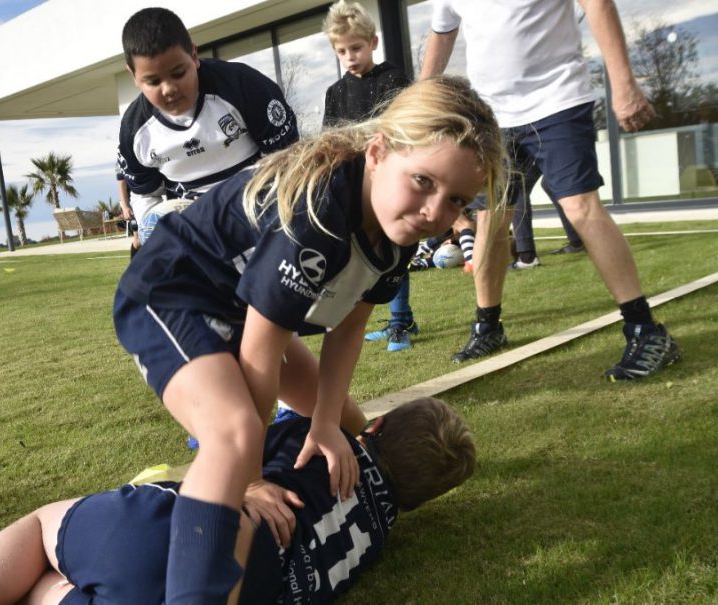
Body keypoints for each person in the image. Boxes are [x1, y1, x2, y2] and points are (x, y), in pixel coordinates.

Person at [112, 75, 503, 603]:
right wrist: (250, 481)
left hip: (239, 306)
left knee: (352, 425)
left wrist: (324, 424)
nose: (435, 214)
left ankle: (354, 505)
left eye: (456, 200)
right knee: (236, 435)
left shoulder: (398, 232)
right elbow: (261, 346)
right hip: (172, 294)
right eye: (424, 182)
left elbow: (351, 327)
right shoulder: (320, 207)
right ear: (379, 151)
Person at [0, 397, 477, 605]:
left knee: (43, 528)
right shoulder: (378, 537)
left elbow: (244, 432)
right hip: (238, 589)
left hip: (190, 535)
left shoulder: (329, 443)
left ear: (375, 427)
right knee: (62, 585)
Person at [421, 0, 680, 380]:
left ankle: (646, 330)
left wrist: (623, 81)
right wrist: (423, 104)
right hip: (492, 116)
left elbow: (597, 4)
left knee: (580, 207)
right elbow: (442, 31)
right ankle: (489, 326)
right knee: (491, 218)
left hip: (557, 100)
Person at [115, 7, 298, 245]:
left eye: (178, 73)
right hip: (192, 229)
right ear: (133, 76)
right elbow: (145, 194)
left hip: (258, 208)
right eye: (153, 81)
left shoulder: (244, 86)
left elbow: (288, 162)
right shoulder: (134, 130)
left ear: (194, 56)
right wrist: (153, 233)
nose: (169, 89)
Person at [320, 0, 421, 353]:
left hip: (392, 183)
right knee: (363, 255)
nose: (350, 56)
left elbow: (408, 131)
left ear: (373, 43)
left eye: (357, 48)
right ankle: (391, 317)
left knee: (394, 250)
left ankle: (399, 323)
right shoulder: (335, 93)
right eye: (342, 51)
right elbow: (331, 143)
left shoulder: (394, 80)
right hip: (356, 188)